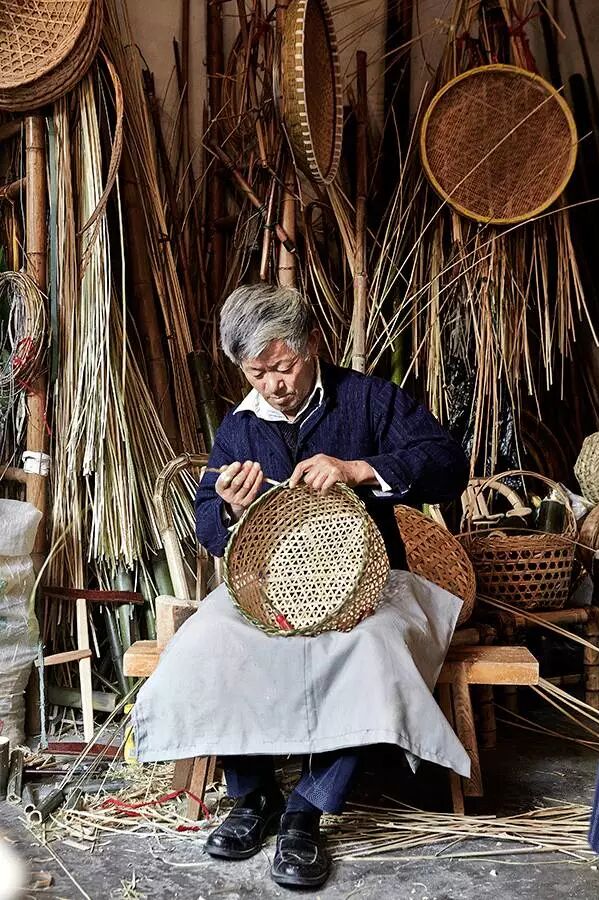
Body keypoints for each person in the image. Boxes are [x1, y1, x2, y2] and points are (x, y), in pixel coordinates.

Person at [133, 284, 471, 890]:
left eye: (283, 366)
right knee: (209, 639)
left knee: (374, 649)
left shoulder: (367, 399)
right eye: (256, 374)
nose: (273, 385)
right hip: (269, 589)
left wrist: (360, 468)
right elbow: (208, 523)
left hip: (369, 581)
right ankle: (253, 797)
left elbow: (449, 464)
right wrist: (229, 509)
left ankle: (307, 810)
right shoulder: (239, 427)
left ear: (313, 344)